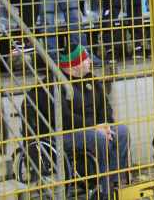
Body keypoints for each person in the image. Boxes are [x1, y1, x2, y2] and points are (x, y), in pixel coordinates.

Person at [28, 44, 129, 198]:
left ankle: (113, 181)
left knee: (122, 131)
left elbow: (105, 106)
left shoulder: (91, 79)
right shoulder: (52, 83)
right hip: (64, 133)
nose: (90, 61)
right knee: (99, 138)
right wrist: (95, 127)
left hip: (93, 129)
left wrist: (106, 125)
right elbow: (64, 118)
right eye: (86, 59)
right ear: (74, 65)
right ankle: (103, 189)